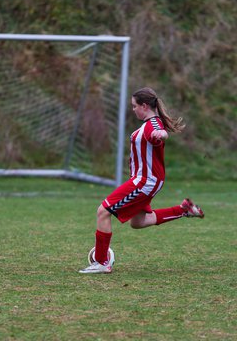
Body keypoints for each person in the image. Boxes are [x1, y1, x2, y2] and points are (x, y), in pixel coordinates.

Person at [79, 87, 204, 274]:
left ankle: (102, 262)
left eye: (134, 106)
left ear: (144, 106)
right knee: (138, 222)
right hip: (146, 180)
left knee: (103, 211)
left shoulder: (153, 125)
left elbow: (161, 134)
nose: (133, 109)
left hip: (145, 181)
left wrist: (161, 135)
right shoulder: (149, 124)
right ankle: (183, 210)